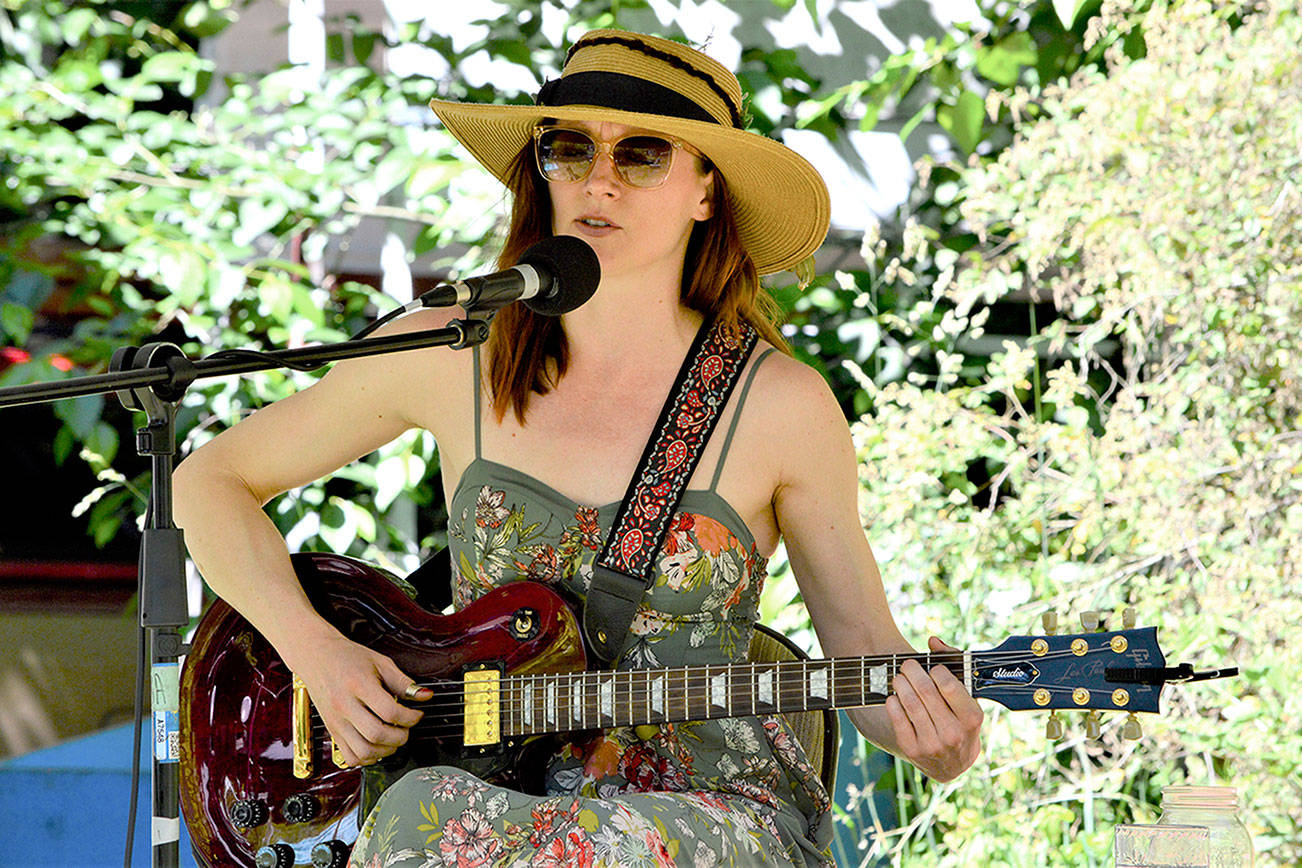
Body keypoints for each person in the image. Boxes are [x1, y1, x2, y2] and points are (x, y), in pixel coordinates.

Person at [173, 29, 983, 868]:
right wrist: (319, 654)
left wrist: (933, 737)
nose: (599, 178)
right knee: (423, 808)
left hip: (707, 815)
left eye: (641, 153)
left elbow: (865, 656)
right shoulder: (456, 354)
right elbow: (208, 483)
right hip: (481, 796)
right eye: (570, 148)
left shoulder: (780, 405)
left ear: (707, 191)